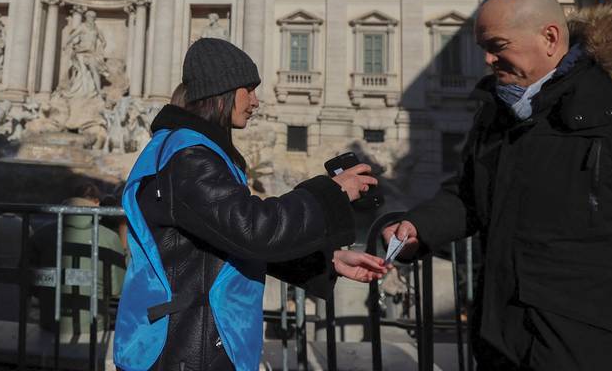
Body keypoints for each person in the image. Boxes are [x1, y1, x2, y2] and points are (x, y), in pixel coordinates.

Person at [384, 0, 612, 370]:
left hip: (591, 341)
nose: (487, 58)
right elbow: (470, 194)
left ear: (549, 37)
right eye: (483, 46)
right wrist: (420, 226)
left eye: (497, 45)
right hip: (501, 335)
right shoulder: (495, 110)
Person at [115, 38, 387, 371]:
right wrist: (333, 192)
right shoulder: (189, 157)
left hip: (188, 335)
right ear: (223, 91)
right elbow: (253, 229)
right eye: (250, 89)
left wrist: (325, 260)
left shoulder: (187, 150)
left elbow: (225, 241)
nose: (256, 101)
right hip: (187, 344)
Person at [30, 182, 126, 340]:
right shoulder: (109, 238)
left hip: (49, 324)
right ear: (97, 203)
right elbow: (117, 290)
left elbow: (29, 280)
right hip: (93, 327)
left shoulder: (41, 234)